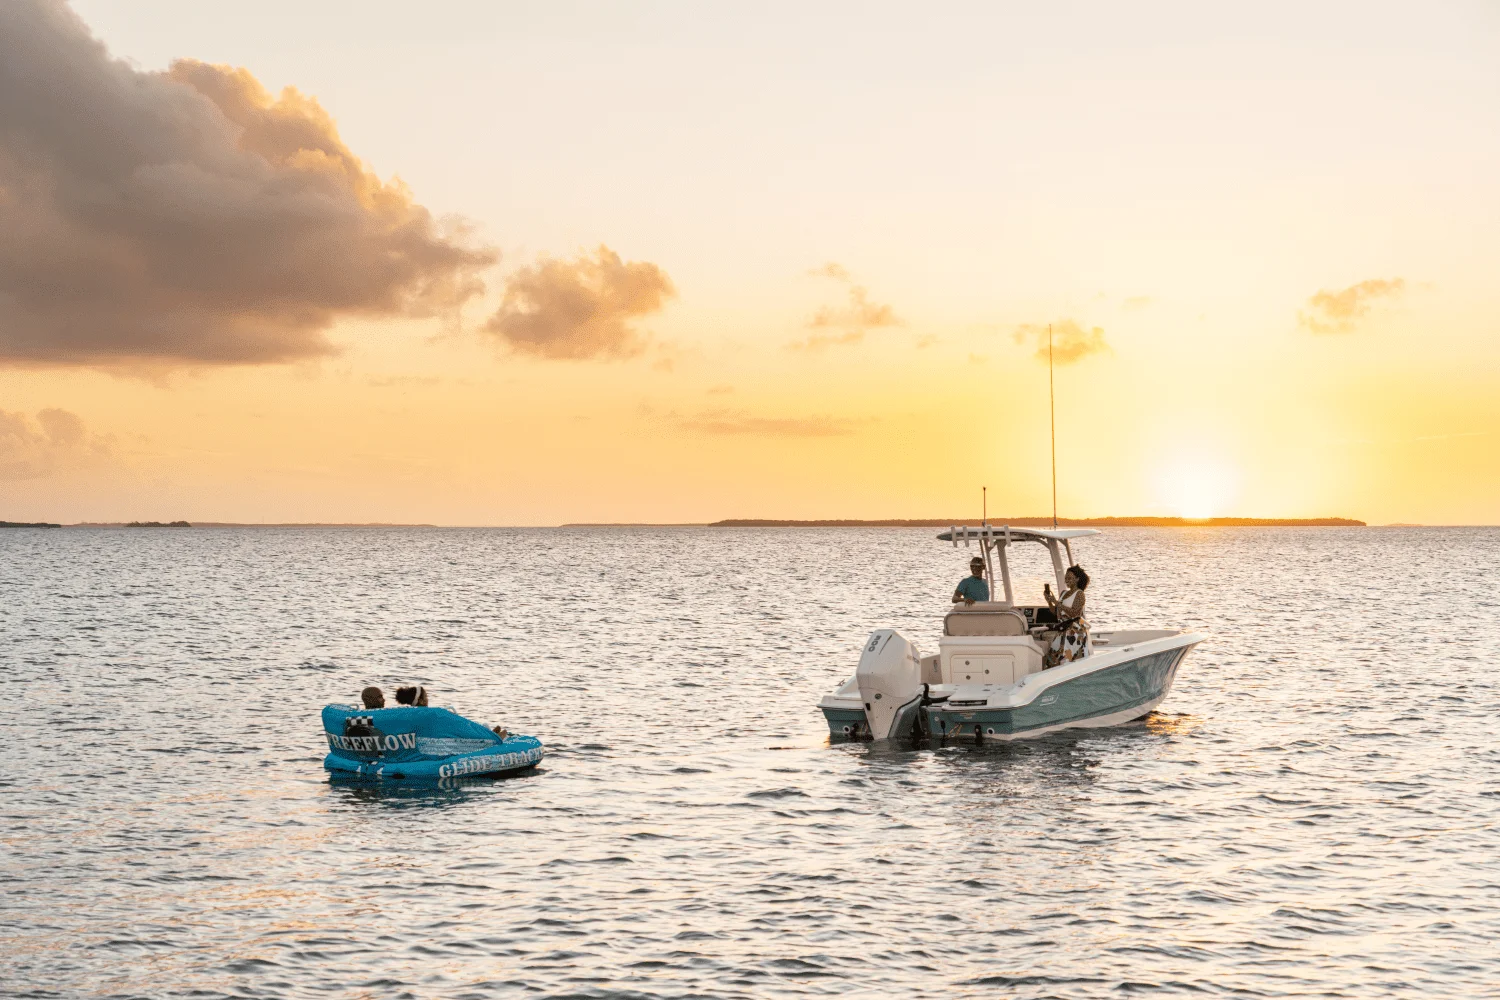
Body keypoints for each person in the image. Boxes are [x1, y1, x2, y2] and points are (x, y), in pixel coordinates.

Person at [1041, 565, 1091, 667]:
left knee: (1067, 661)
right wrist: (1050, 602)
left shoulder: (1080, 594)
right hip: (1063, 629)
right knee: (1053, 658)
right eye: (1066, 577)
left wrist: (1057, 602)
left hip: (1074, 631)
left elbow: (1074, 613)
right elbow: (1056, 612)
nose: (1066, 579)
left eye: (1069, 577)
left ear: (1077, 579)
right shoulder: (1063, 593)